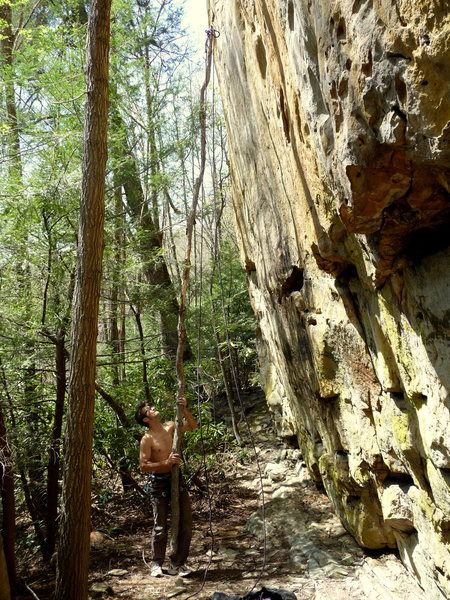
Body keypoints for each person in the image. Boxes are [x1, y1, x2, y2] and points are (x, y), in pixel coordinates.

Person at [135, 397, 197, 578]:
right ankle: (156, 563)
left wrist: (184, 409)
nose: (153, 408)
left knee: (185, 523)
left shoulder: (170, 426)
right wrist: (166, 462)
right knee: (160, 525)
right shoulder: (147, 439)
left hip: (178, 479)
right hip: (159, 482)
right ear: (146, 419)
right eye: (149, 409)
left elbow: (192, 426)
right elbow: (143, 466)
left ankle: (178, 563)